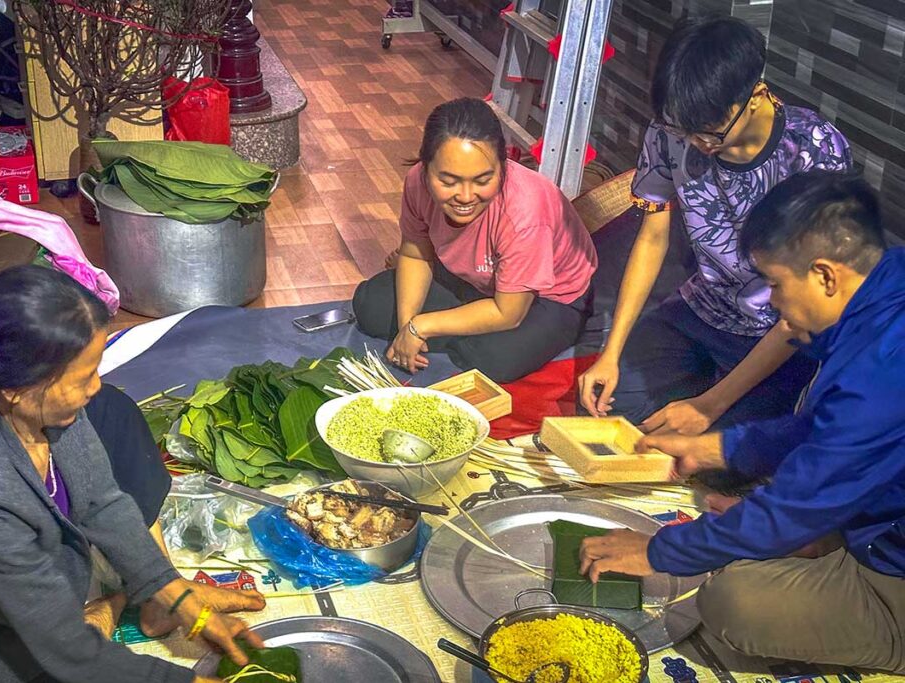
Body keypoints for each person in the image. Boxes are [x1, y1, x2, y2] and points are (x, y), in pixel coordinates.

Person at [578, 171, 905, 673]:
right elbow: (829, 430)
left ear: (824, 276)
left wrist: (659, 551)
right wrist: (717, 449)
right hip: (882, 518)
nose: (772, 302)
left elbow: (793, 505)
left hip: (890, 560)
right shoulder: (887, 287)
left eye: (775, 284)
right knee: (755, 522)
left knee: (732, 603)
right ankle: (826, 540)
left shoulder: (880, 369)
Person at [0, 266, 266, 683]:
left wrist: (177, 595)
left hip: (32, 617)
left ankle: (114, 605)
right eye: (84, 376)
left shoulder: (43, 407)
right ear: (18, 387)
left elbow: (102, 502)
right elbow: (68, 651)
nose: (95, 386)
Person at [578, 17, 852, 436]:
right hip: (702, 307)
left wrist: (709, 405)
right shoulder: (674, 131)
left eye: (709, 133)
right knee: (604, 412)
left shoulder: (814, 153)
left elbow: (801, 309)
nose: (694, 144)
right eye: (681, 130)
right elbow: (652, 237)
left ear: (756, 96)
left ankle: (713, 396)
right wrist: (610, 352)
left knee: (716, 455)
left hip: (778, 333)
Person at [353, 97, 598, 383]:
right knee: (370, 304)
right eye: (448, 181)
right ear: (426, 166)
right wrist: (407, 325)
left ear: (503, 165)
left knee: (494, 359)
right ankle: (462, 325)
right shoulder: (416, 182)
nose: (466, 197)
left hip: (544, 299)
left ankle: (463, 328)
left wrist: (422, 327)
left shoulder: (526, 211)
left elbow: (509, 313)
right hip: (475, 281)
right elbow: (416, 254)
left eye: (483, 180)